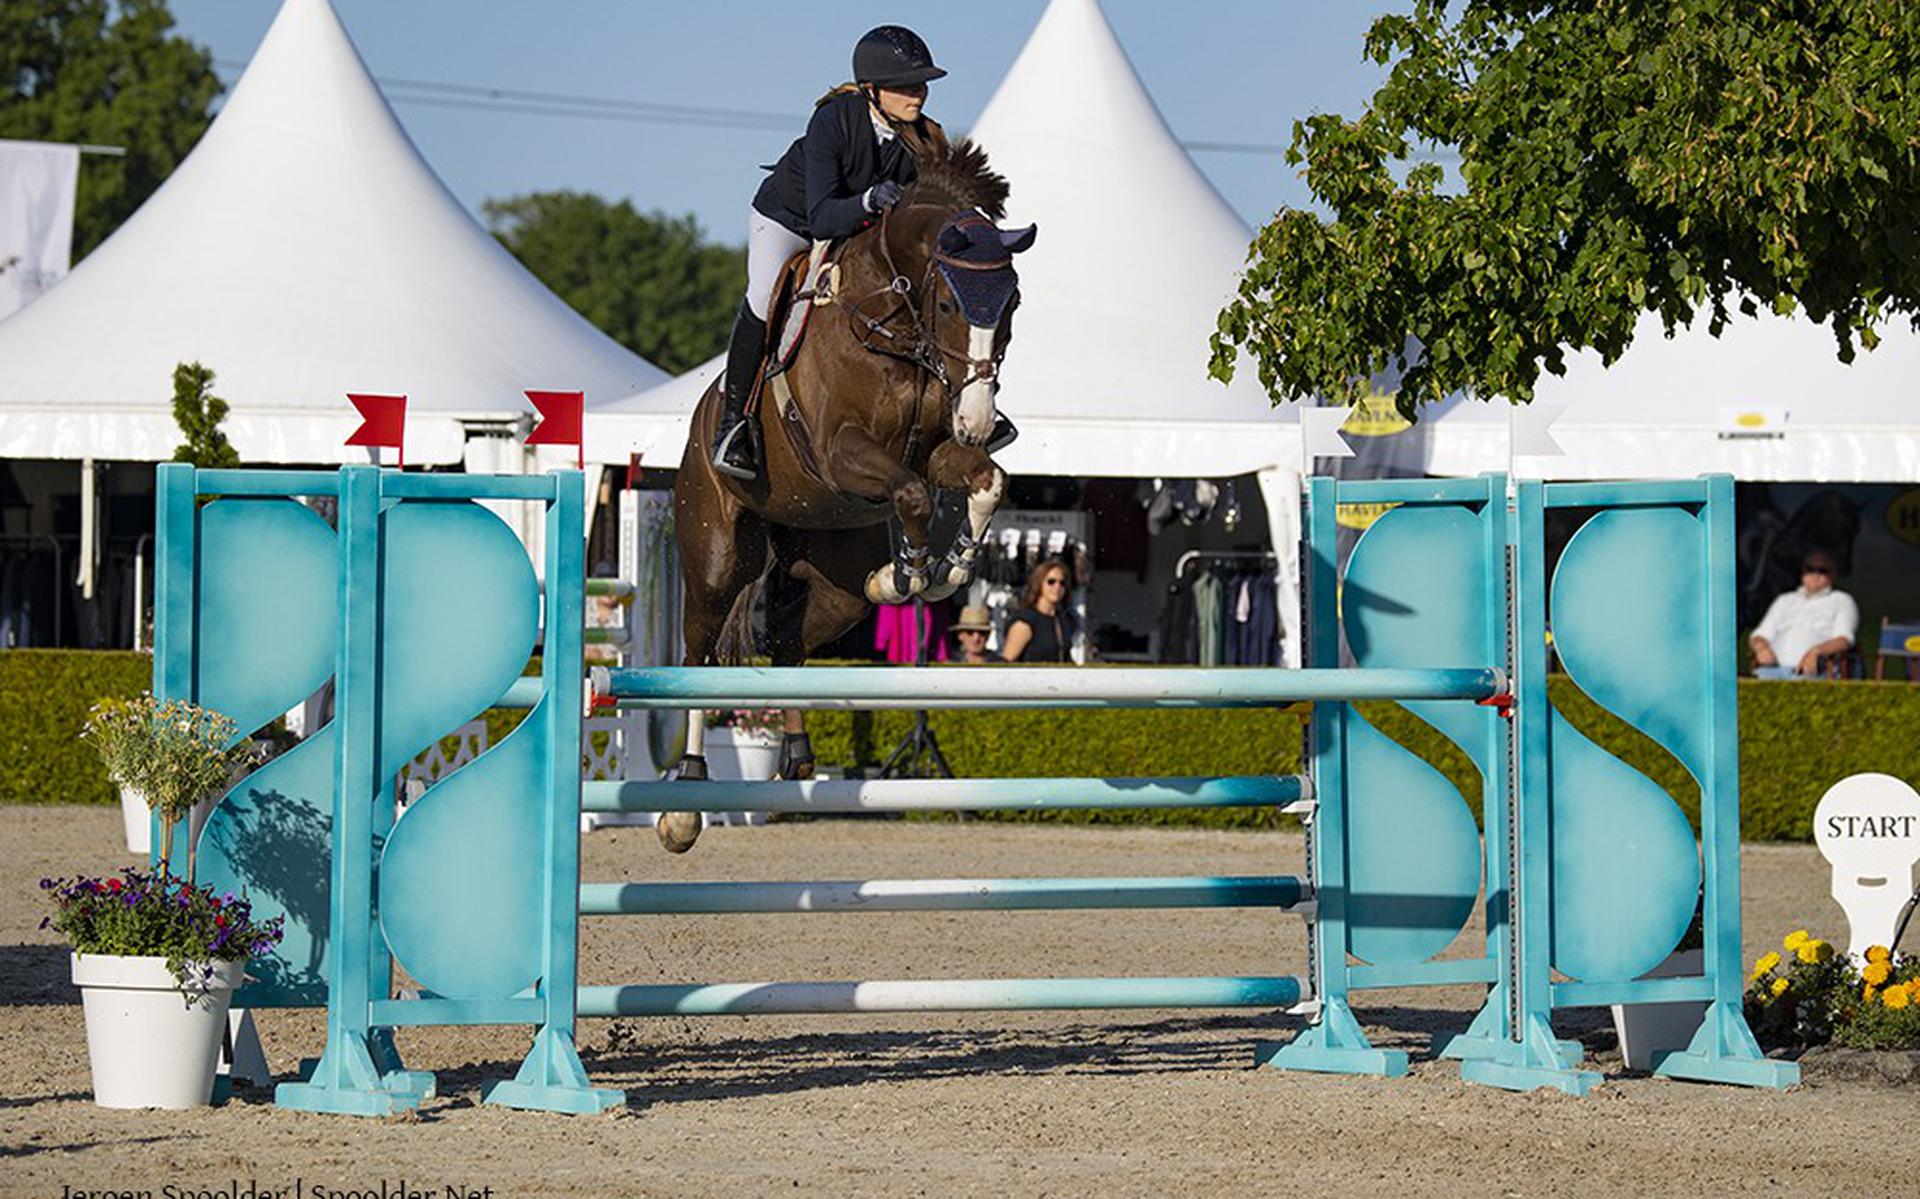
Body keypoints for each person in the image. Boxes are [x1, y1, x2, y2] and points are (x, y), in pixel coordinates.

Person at [710, 26, 951, 481]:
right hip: (790, 220)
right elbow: (821, 218)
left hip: (857, 232)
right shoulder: (834, 119)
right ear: (872, 89)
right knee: (764, 296)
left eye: (921, 84)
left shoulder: (922, 138)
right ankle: (734, 424)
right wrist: (867, 202)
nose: (918, 93)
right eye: (905, 85)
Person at [1750, 549, 1859, 679]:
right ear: (1803, 572)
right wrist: (1761, 647)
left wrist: (1816, 652)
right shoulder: (1784, 600)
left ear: (1833, 574)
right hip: (1772, 669)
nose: (1815, 575)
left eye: (1822, 570)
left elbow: (1845, 640)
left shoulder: (1841, 600)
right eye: (1810, 569)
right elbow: (1760, 634)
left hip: (1815, 671)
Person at [1001, 559, 1075, 663]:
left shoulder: (1063, 621)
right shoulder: (1025, 622)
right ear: (1039, 583)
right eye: (1051, 582)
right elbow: (1007, 661)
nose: (1057, 587)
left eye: (1062, 583)